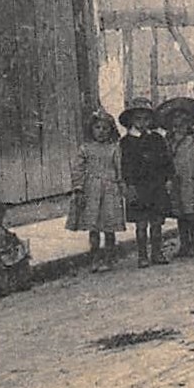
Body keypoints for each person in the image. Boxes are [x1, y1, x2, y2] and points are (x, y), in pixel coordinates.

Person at [67, 109, 126, 272]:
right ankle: (94, 258)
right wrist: (78, 188)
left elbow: (120, 169)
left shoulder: (114, 149)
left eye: (105, 128)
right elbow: (78, 169)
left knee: (109, 226)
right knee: (93, 227)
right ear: (91, 129)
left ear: (111, 131)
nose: (101, 132)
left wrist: (122, 186)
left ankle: (109, 257)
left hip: (110, 189)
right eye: (98, 128)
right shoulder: (85, 148)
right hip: (91, 190)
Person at [119, 97, 172, 267]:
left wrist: (169, 178)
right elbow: (124, 167)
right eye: (138, 119)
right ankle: (142, 255)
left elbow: (166, 160)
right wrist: (128, 186)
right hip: (138, 187)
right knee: (141, 223)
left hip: (156, 186)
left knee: (156, 222)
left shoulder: (156, 139)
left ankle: (157, 252)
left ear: (151, 120)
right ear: (131, 121)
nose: (142, 122)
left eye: (146, 119)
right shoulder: (125, 143)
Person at [161, 96, 194, 260]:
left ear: (189, 121)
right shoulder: (168, 140)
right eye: (175, 119)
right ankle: (184, 244)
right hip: (176, 181)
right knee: (180, 214)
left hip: (193, 179)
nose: (179, 123)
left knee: (192, 214)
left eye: (182, 119)